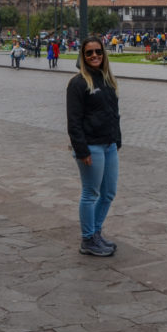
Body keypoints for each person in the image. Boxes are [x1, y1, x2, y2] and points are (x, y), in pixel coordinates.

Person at [67, 37, 121, 257]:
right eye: (89, 53)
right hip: (91, 147)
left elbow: (113, 114)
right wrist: (82, 150)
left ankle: (96, 233)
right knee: (91, 193)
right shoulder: (78, 83)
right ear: (83, 56)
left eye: (98, 51)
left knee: (108, 193)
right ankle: (88, 239)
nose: (94, 56)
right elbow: (74, 121)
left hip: (108, 146)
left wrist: (117, 140)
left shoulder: (107, 80)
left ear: (103, 53)